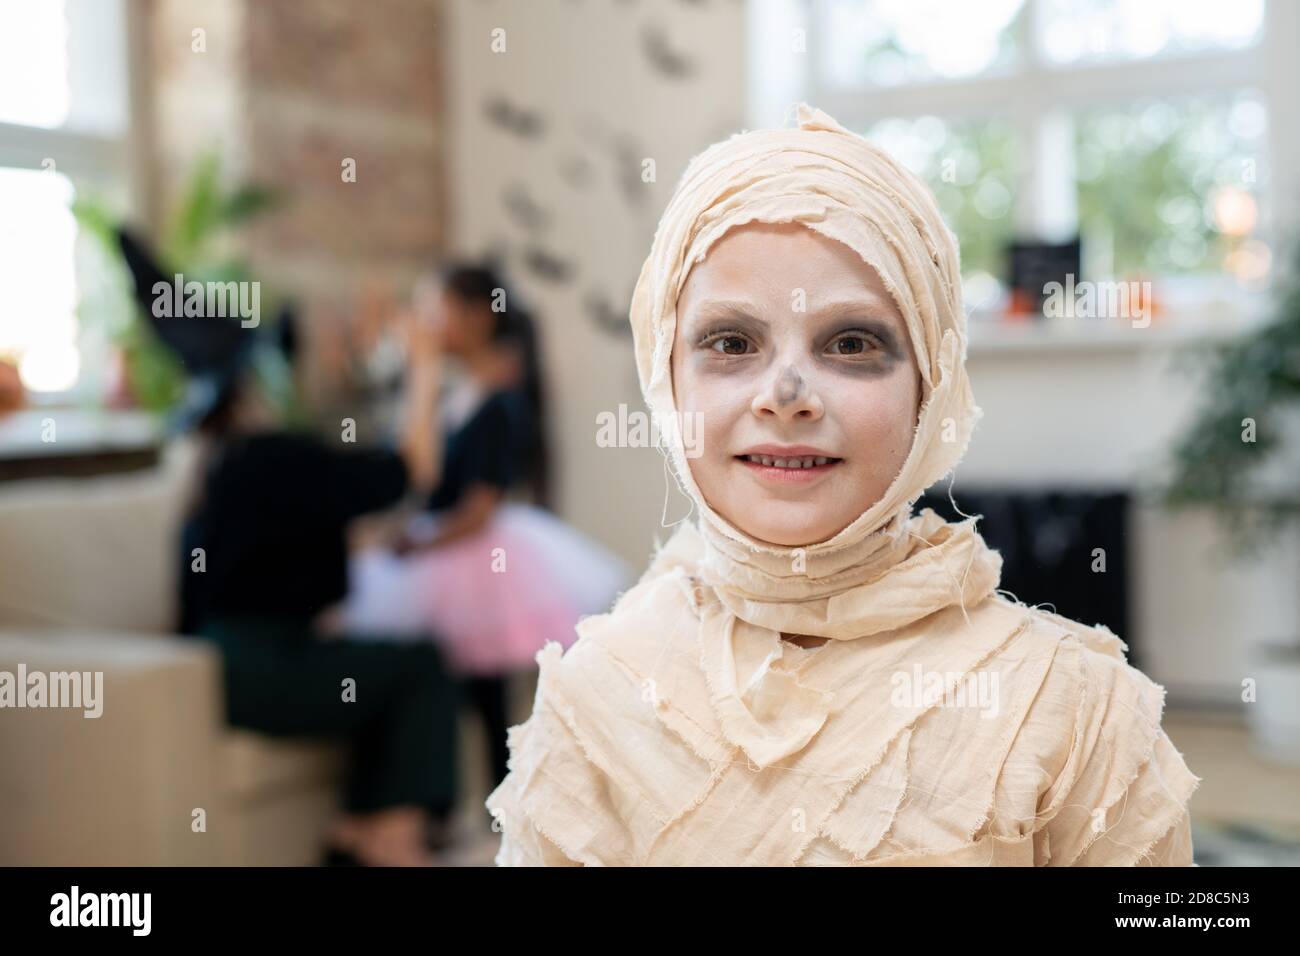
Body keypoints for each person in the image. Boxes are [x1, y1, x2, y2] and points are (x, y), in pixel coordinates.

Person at [484, 104, 1201, 866]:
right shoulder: (594, 700)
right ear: (667, 380)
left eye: (851, 343)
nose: (786, 393)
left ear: (930, 387)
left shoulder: (1074, 712)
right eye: (731, 343)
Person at [115, 228, 459, 867]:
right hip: (254, 667)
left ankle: (360, 827)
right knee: (420, 664)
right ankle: (386, 835)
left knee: (377, 662)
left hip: (226, 659)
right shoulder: (279, 454)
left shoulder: (230, 461)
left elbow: (308, 535)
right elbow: (413, 470)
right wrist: (425, 363)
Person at [338, 262, 631, 793]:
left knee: (489, 686)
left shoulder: (500, 402)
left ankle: (510, 802)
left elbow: (478, 507)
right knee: (454, 685)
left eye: (435, 310)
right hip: (442, 547)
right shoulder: (455, 395)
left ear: (475, 317)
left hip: (474, 551)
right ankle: (451, 801)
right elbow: (418, 473)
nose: (424, 323)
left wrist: (420, 542)